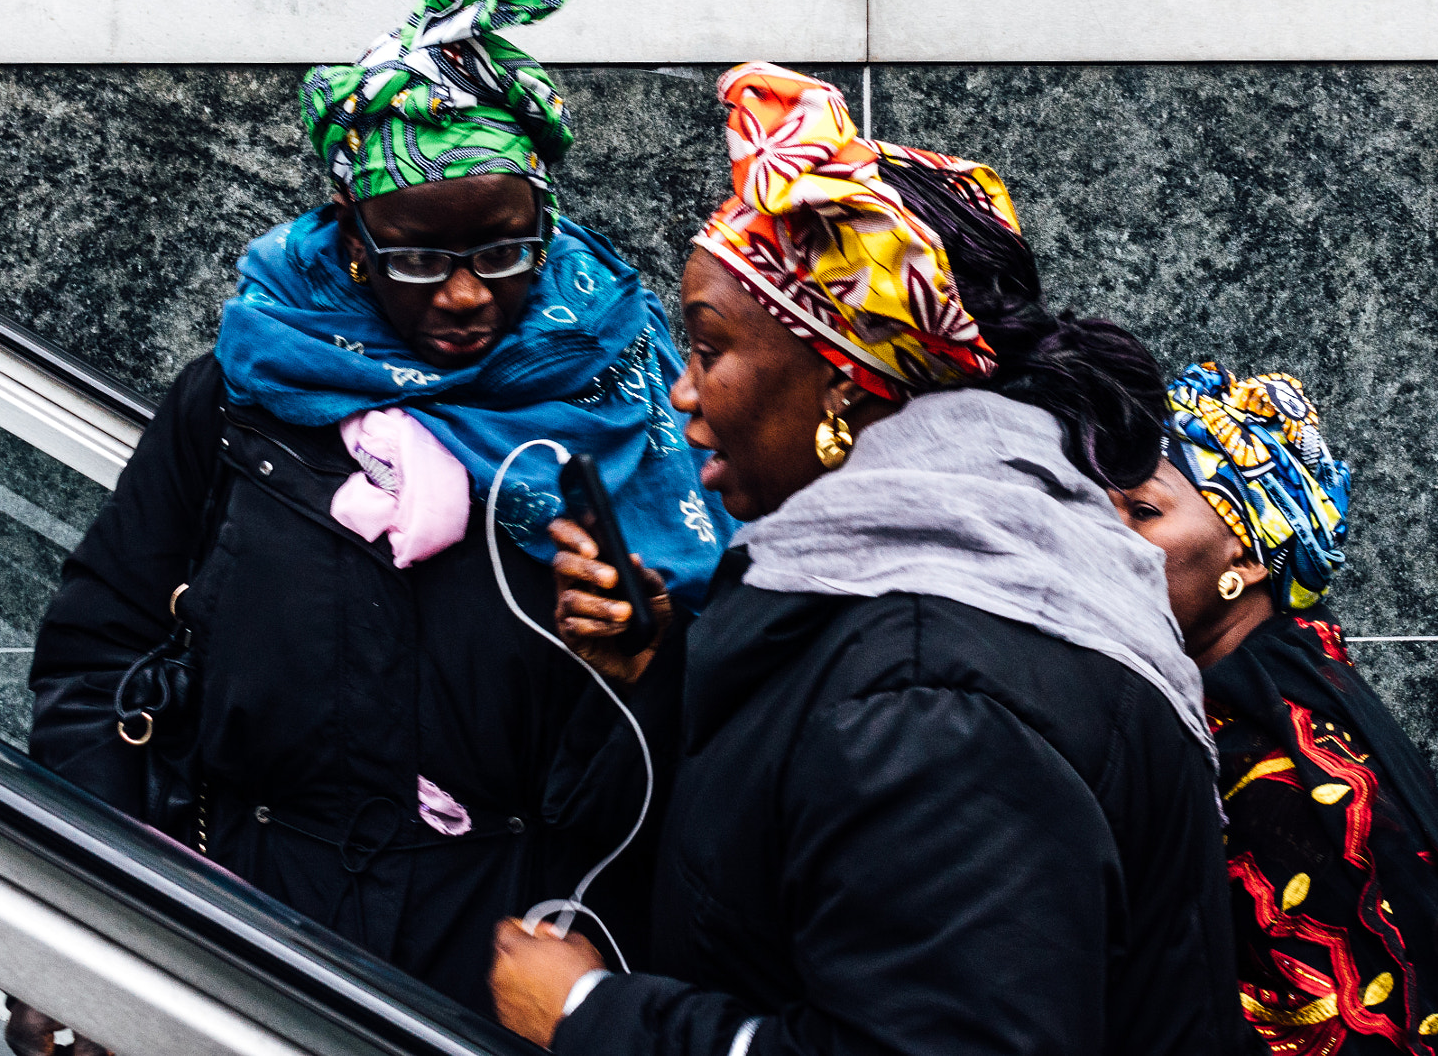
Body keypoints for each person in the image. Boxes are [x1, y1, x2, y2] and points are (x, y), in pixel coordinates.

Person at [13, 0, 730, 1053]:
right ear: (348, 236)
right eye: (415, 256)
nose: (462, 294)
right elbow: (98, 654)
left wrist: (646, 654)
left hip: (511, 961)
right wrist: (90, 928)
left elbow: (723, 707)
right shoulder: (243, 396)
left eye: (503, 251)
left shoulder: (630, 400)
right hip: (240, 929)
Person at [491, 63, 1249, 1056]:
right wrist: (660, 672)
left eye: (709, 346)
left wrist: (596, 1019)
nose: (682, 394)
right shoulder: (956, 594)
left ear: (842, 387)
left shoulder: (931, 692)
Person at [1110, 363, 1438, 1055]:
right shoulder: (1291, 687)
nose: (1107, 534)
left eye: (1143, 511)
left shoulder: (1273, 757)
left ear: (1242, 557)